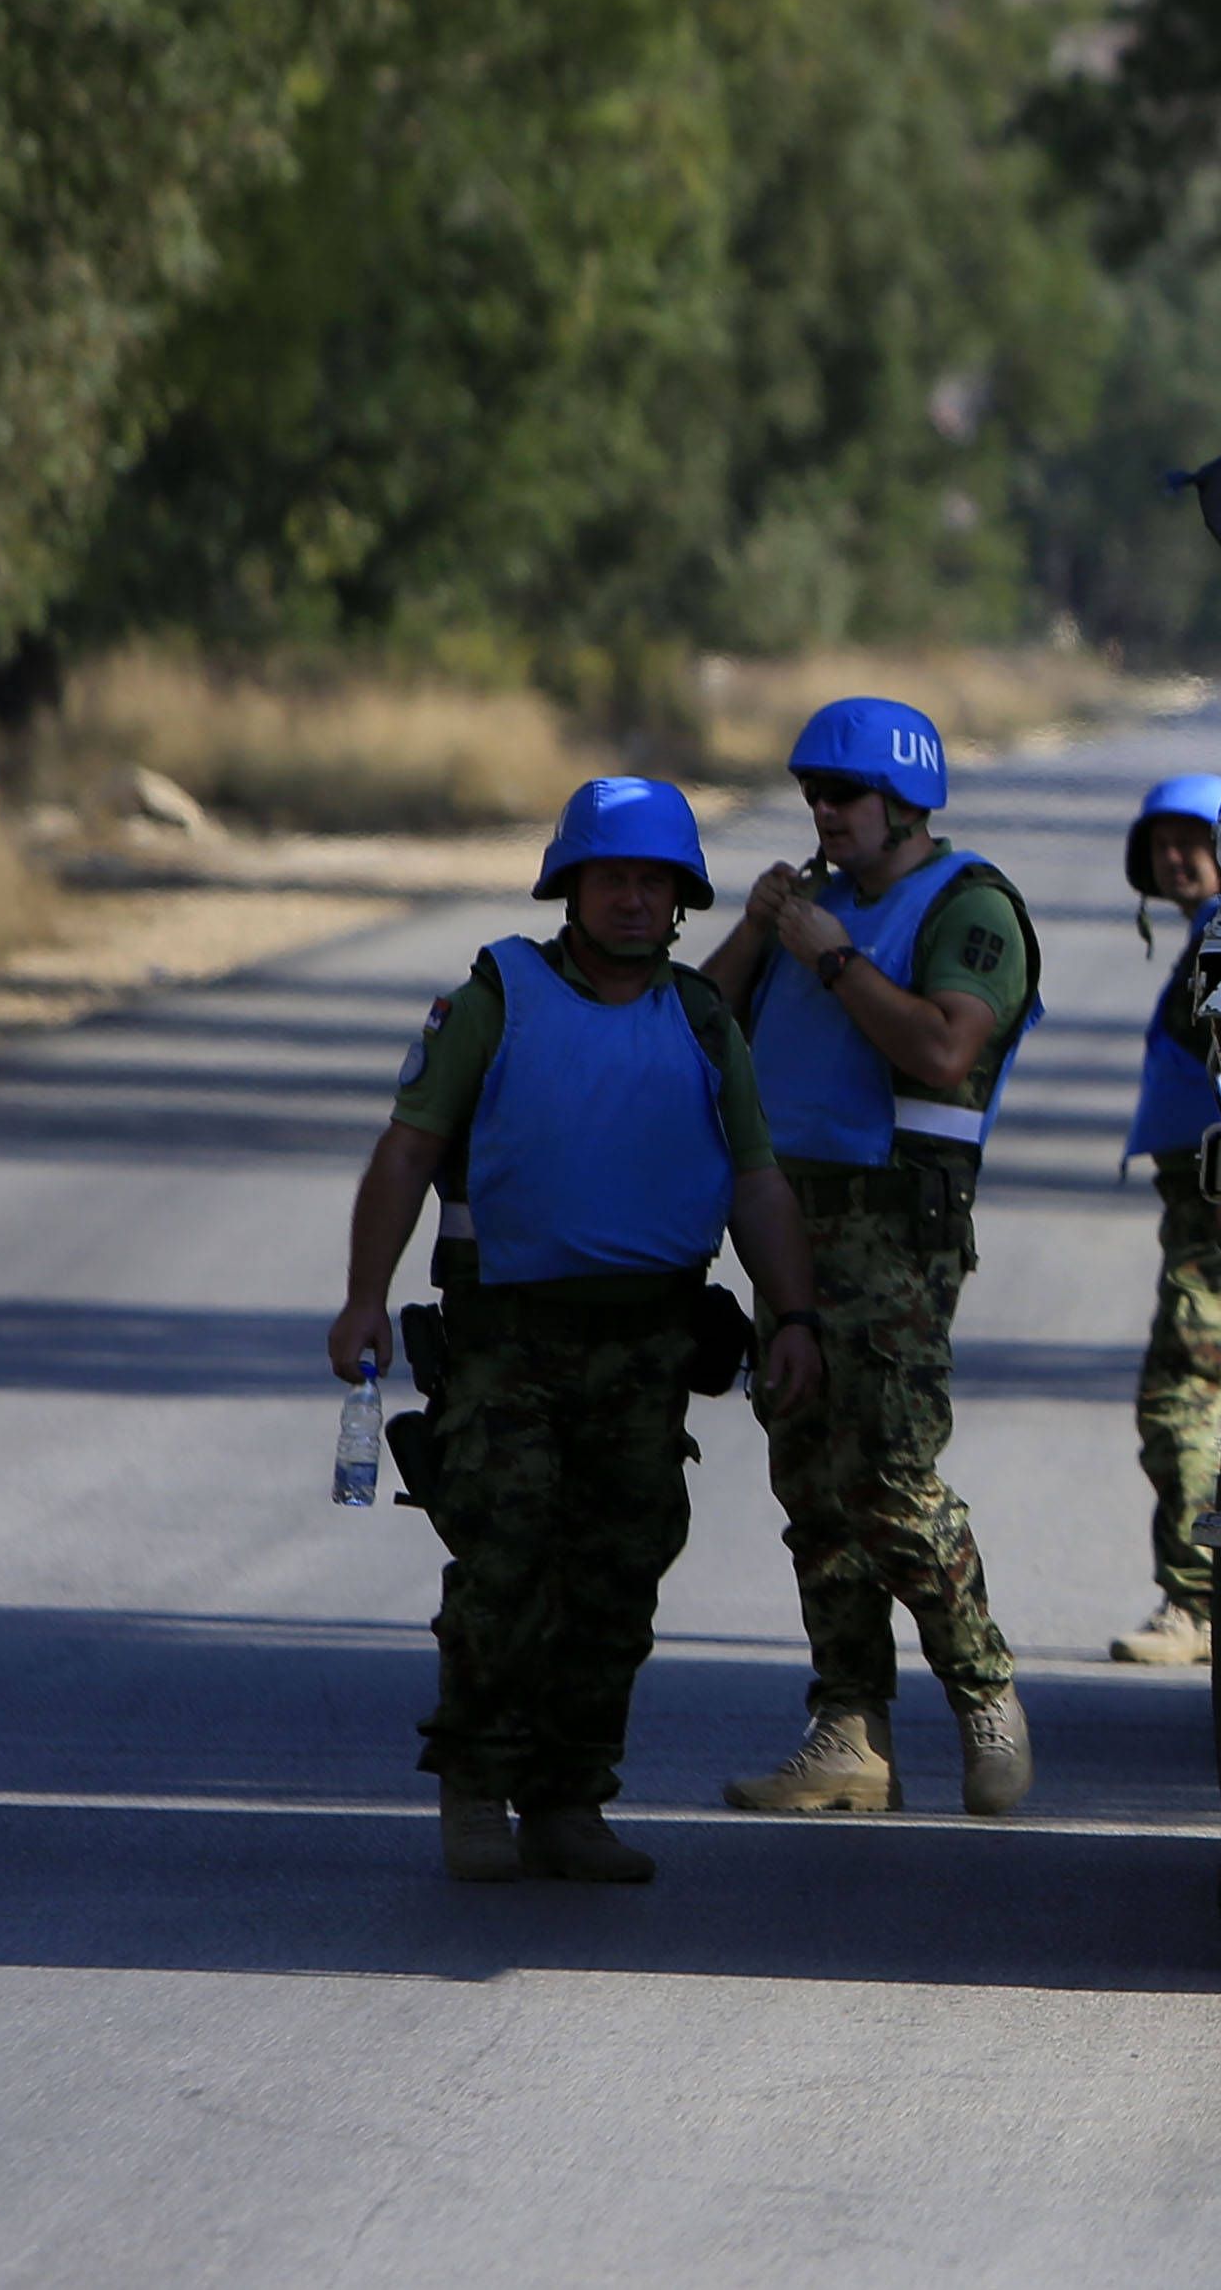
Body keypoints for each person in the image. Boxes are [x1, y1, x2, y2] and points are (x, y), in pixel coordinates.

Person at [327, 777, 825, 1885]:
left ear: (684, 896)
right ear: (572, 887)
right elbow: (407, 1149)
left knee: (617, 1575)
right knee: (504, 1566)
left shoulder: (700, 1021)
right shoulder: (495, 997)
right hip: (508, 1341)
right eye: (613, 879)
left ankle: (567, 1801)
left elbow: (756, 1181)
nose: (634, 901)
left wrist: (794, 1317)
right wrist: (364, 1297)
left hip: (648, 1349)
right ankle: (474, 1785)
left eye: (655, 881)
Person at [696, 695, 1047, 1816]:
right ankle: (847, 1729)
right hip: (790, 1221)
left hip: (895, 1229)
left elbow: (945, 1050)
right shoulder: (812, 907)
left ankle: (984, 1693)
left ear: (903, 803)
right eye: (811, 797)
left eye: (840, 797)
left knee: (890, 1477)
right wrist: (760, 929)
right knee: (809, 1475)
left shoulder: (968, 906)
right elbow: (694, 1024)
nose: (822, 815)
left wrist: (833, 957)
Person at [1109, 772, 1221, 1667]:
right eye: (1161, 843)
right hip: (1197, 1208)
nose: (1176, 856)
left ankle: (1199, 1599)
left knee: (1185, 1405)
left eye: (1194, 838)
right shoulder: (1215, 934)